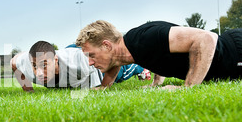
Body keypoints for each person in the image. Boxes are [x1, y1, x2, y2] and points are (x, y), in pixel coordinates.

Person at [75, 20, 242, 89]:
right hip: (239, 52)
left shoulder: (144, 38)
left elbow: (206, 39)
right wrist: (104, 86)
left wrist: (188, 88)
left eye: (91, 55)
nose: (90, 63)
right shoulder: (125, 51)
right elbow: (114, 66)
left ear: (107, 45)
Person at [10, 41, 150, 92]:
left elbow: (115, 59)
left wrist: (104, 87)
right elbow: (14, 62)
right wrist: (28, 90)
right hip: (69, 52)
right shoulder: (28, 66)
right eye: (35, 66)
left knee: (124, 69)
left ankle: (142, 69)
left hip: (84, 63)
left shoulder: (81, 64)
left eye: (44, 66)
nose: (39, 73)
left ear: (55, 60)